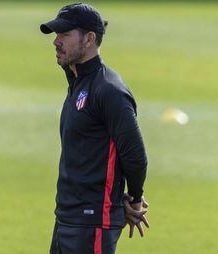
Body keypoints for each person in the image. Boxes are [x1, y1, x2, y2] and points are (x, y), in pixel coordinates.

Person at [40, 3, 149, 254]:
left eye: (65, 35)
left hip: (92, 225)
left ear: (89, 39)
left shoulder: (108, 90)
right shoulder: (78, 82)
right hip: (67, 219)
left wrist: (133, 198)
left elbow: (135, 156)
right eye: (56, 35)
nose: (56, 42)